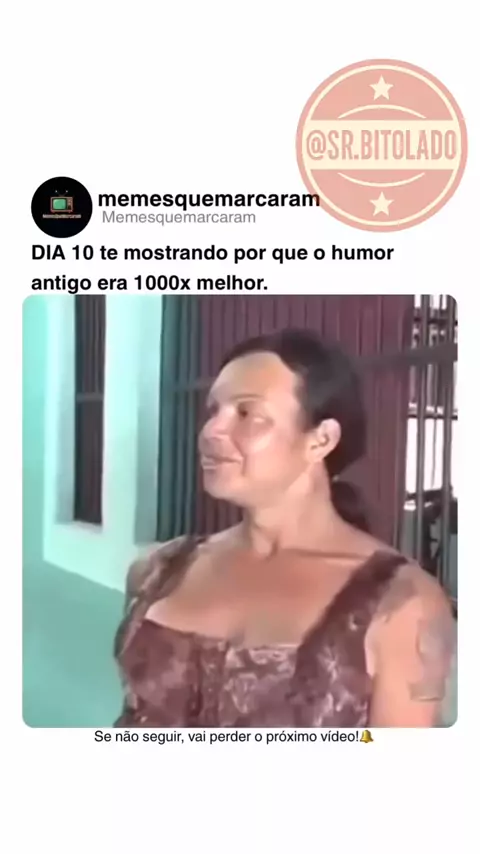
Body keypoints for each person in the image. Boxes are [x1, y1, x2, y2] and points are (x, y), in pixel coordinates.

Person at [114, 329, 455, 727]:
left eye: (247, 414)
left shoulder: (403, 603)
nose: (210, 432)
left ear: (321, 439)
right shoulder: (159, 572)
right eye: (213, 411)